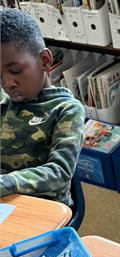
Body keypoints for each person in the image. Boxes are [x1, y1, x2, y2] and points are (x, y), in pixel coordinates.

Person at [0, 8, 84, 206]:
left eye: (15, 71)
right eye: (0, 76)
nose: (8, 83)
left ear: (45, 61)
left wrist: (4, 183)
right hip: (7, 203)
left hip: (45, 209)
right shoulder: (5, 103)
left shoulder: (66, 110)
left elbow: (60, 173)